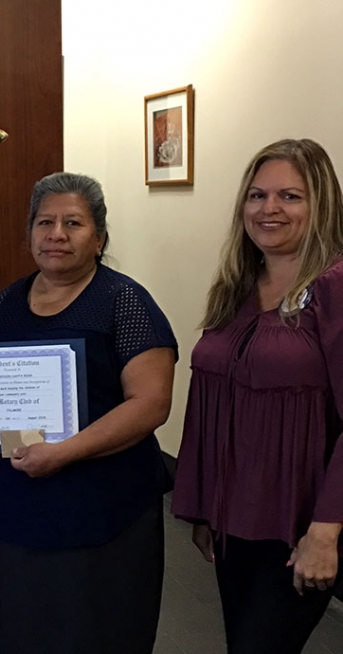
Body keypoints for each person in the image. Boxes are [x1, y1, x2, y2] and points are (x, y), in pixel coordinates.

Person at [0, 172, 176, 654]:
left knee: (102, 633)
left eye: (74, 223)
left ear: (100, 238)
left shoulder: (122, 302)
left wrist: (65, 452)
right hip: (23, 516)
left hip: (107, 515)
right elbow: (10, 411)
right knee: (28, 633)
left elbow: (151, 404)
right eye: (45, 222)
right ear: (29, 234)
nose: (57, 234)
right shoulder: (5, 305)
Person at [172, 139, 343, 654]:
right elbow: (211, 399)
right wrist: (204, 509)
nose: (269, 209)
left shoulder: (334, 286)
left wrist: (325, 532)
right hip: (236, 522)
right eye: (256, 195)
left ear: (321, 204)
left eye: (290, 196)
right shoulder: (237, 286)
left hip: (300, 524)